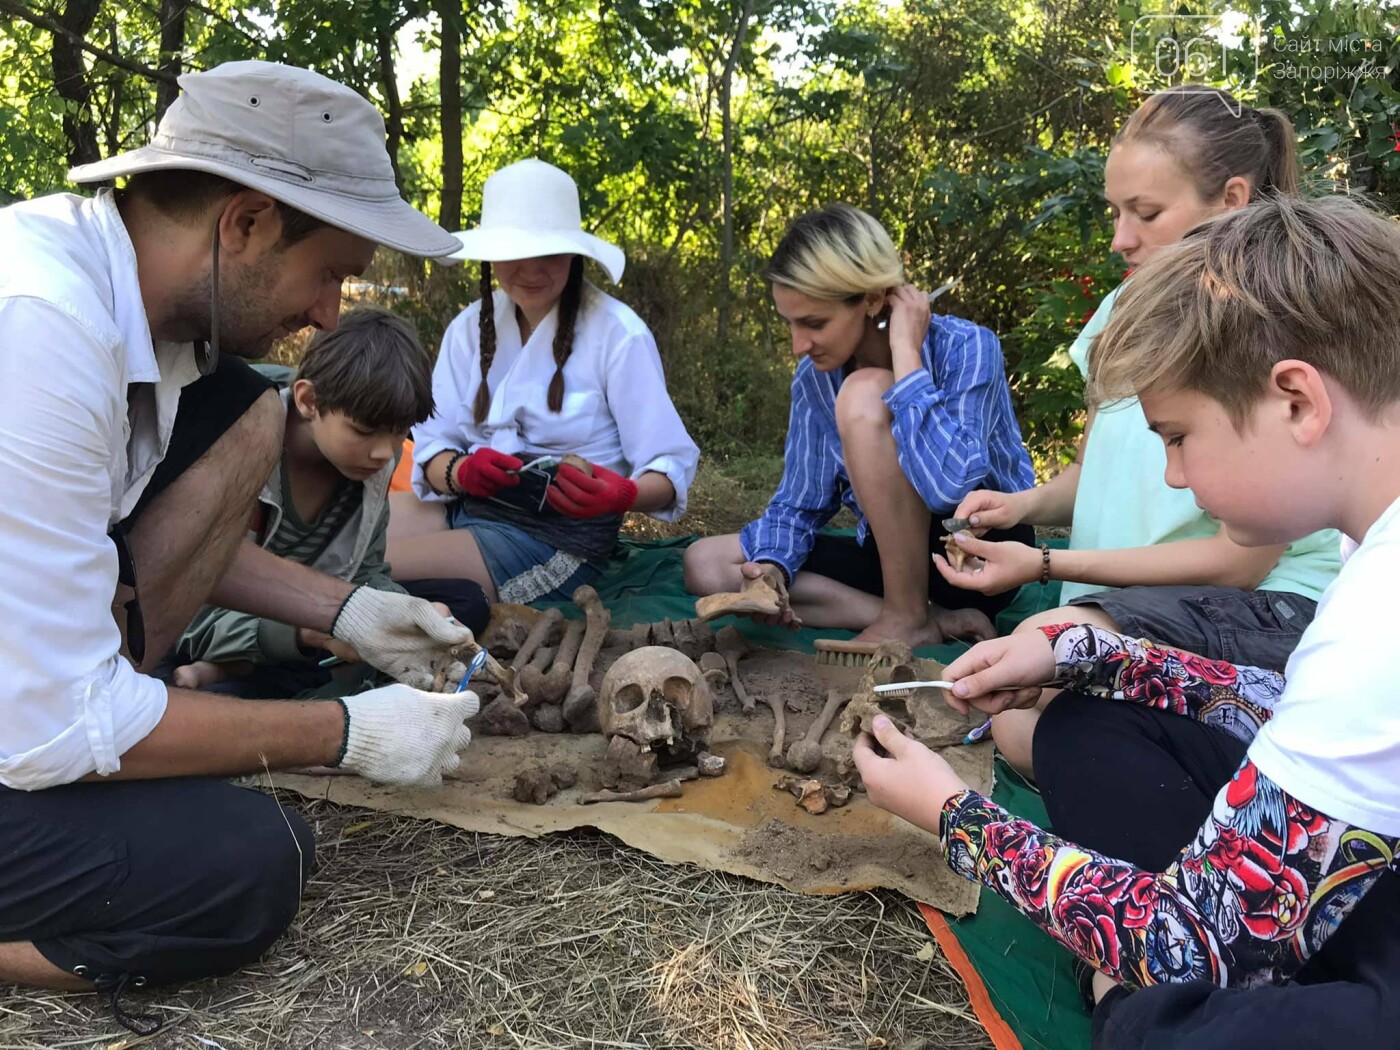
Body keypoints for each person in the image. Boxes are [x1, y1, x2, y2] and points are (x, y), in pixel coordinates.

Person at [855, 195, 1400, 1048]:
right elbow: (1280, 699)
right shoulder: (1372, 545)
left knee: (1163, 1026)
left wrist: (954, 817)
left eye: (1178, 437)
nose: (1175, 477)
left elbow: (1184, 948)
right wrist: (1088, 660)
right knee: (1082, 725)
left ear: (1297, 402)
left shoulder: (1377, 619)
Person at [0, 62, 484, 1019]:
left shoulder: (160, 335)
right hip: (30, 722)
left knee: (243, 411)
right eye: (331, 273)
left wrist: (352, 612)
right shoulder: (42, 329)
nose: (327, 313)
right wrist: (346, 735)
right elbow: (50, 728)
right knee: (246, 871)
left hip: (24, 698)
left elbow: (163, 544)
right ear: (247, 223)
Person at [935, 86, 1339, 773]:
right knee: (1031, 702)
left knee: (1037, 711)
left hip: (1259, 607)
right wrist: (1023, 508)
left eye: (1146, 214)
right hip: (1123, 603)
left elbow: (1238, 562)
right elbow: (1098, 467)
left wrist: (1045, 565)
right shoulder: (1123, 304)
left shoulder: (1269, 322)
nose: (1121, 238)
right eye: (1116, 212)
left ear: (1233, 200)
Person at [684, 203, 1036, 647]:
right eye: (789, 323)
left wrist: (906, 356)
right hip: (894, 558)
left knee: (866, 391)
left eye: (814, 323)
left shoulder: (968, 348)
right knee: (705, 564)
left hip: (975, 555)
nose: (798, 345)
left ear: (872, 299)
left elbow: (951, 488)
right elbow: (800, 502)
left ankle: (906, 616)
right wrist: (772, 567)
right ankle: (928, 618)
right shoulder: (815, 377)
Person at [386, 158, 700, 604]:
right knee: (343, 534)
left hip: (559, 538)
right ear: (491, 255)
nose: (531, 270)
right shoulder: (468, 328)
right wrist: (461, 472)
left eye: (548, 253)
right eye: (515, 254)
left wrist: (623, 493)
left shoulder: (617, 334)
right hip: (466, 506)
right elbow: (434, 443)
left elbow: (669, 465)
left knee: (376, 566)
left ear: (574, 253)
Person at [173, 307, 490, 697]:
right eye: (364, 431)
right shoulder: (239, 440)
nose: (383, 452)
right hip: (226, 618)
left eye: (399, 434)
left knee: (463, 604)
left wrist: (412, 617)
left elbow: (367, 573)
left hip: (324, 614)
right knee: (189, 685)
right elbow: (185, 611)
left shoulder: (373, 462)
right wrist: (314, 631)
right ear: (308, 401)